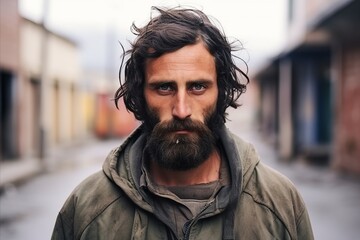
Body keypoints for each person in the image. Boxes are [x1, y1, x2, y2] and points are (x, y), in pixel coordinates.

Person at [51, 6, 313, 240]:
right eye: (164, 88)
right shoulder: (87, 209)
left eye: (198, 87)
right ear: (140, 94)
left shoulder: (279, 204)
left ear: (220, 92)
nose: (181, 109)